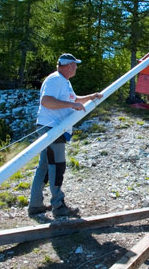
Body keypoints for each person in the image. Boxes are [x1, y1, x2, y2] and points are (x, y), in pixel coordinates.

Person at [28, 53, 103, 217]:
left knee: (45, 166)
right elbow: (46, 101)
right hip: (52, 128)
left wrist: (91, 97)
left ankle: (35, 205)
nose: (76, 67)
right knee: (57, 166)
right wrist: (71, 104)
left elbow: (75, 99)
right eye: (75, 65)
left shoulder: (64, 82)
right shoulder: (55, 79)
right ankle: (59, 206)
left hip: (55, 128)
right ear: (68, 65)